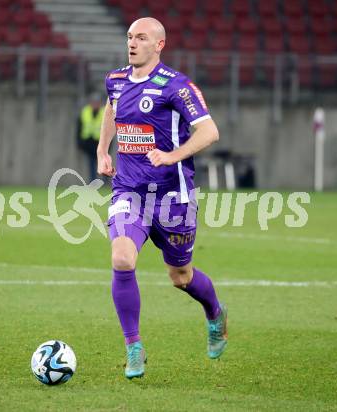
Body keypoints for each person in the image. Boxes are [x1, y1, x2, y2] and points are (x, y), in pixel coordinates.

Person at [97, 17, 227, 379]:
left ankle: (215, 312)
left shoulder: (177, 86)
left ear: (159, 45)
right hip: (129, 190)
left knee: (180, 275)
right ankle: (133, 347)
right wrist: (101, 148)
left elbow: (210, 131)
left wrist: (173, 155)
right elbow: (111, 107)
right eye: (129, 37)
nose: (132, 43)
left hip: (173, 197)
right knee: (122, 259)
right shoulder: (116, 80)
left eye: (141, 37)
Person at [77, 92, 104, 182]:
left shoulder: (104, 112)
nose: (95, 104)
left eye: (96, 102)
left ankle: (105, 181)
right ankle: (93, 181)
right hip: (89, 142)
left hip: (100, 142)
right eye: (93, 102)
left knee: (103, 163)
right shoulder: (85, 111)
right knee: (92, 163)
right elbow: (79, 128)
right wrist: (79, 143)